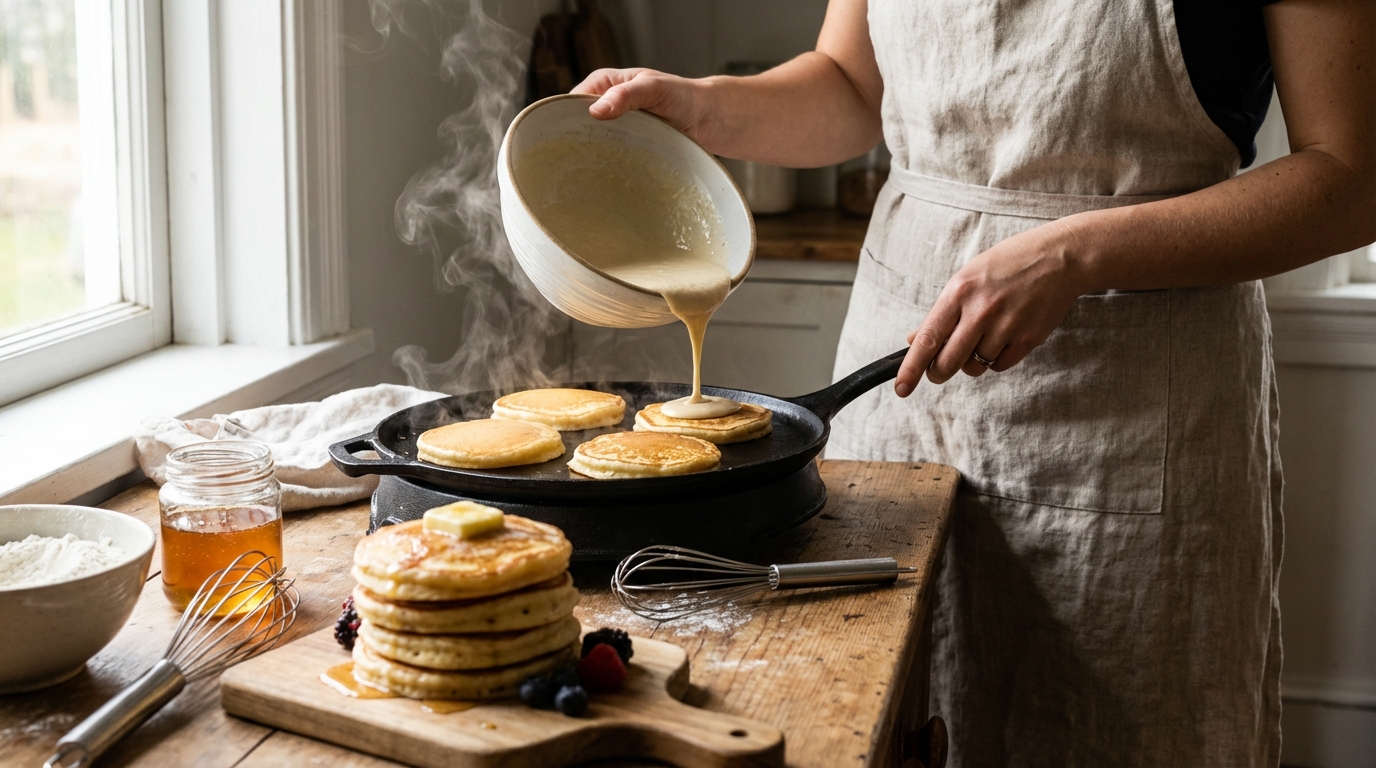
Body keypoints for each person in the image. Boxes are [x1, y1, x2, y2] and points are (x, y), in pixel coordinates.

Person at [572, 1, 1374, 765]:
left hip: (1133, 404)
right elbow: (850, 87)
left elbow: (1352, 178)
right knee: (895, 712)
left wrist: (1077, 253)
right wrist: (703, 107)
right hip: (901, 383)